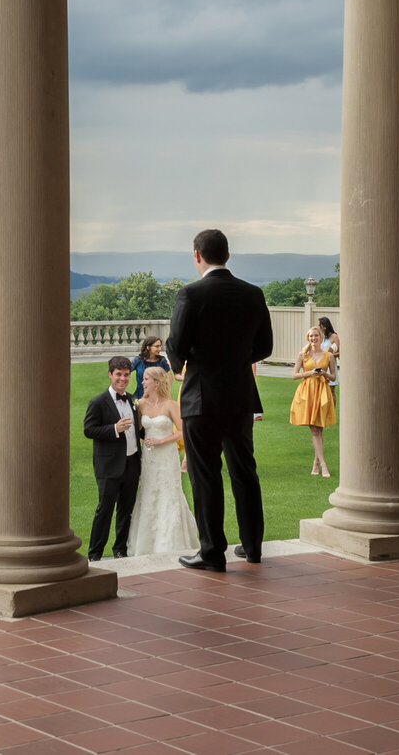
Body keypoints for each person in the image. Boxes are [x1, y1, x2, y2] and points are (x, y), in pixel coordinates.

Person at [167, 228, 274, 571]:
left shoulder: (191, 294)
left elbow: (176, 346)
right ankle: (253, 547)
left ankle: (212, 552)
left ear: (197, 255)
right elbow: (265, 347)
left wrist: (185, 362)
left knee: (205, 474)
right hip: (241, 396)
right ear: (227, 255)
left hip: (201, 398)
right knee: (244, 471)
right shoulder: (253, 294)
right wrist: (237, 360)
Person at [126, 366, 197, 555]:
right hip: (149, 457)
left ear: (157, 383)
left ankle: (170, 542)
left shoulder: (170, 404)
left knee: (169, 493)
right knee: (149, 492)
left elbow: (183, 431)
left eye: (146, 379)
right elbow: (137, 431)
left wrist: (162, 441)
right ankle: (146, 543)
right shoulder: (139, 404)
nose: (142, 382)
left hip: (167, 456)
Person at [83, 357, 143, 560]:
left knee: (126, 510)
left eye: (126, 374)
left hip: (132, 463)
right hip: (109, 466)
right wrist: (114, 429)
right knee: (105, 510)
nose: (123, 378)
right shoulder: (98, 402)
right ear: (110, 374)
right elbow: (89, 430)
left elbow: (138, 430)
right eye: (118, 374)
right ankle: (95, 553)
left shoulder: (133, 400)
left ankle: (120, 550)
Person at [290, 326, 337, 477]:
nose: (313, 338)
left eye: (316, 336)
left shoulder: (328, 356)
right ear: (308, 338)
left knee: (319, 428)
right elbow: (294, 375)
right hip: (307, 392)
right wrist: (309, 373)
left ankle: (315, 463)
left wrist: (323, 373)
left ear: (320, 337)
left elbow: (334, 377)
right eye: (311, 336)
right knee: (314, 429)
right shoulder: (303, 354)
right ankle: (323, 465)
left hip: (322, 391)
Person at [319, 316, 341, 398]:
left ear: (324, 326)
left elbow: (339, 352)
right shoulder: (321, 337)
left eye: (319, 325)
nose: (319, 327)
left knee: (331, 391)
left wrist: (328, 355)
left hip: (330, 366)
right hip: (322, 366)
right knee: (321, 390)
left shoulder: (334, 336)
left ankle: (333, 410)